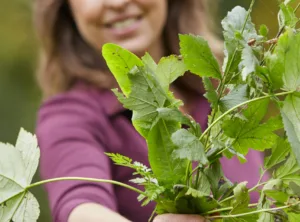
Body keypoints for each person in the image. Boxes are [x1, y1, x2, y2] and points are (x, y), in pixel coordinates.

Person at [34, 0, 264, 221]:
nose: (117, 2)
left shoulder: (223, 92)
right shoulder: (69, 115)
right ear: (66, 7)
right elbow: (80, 207)